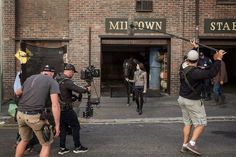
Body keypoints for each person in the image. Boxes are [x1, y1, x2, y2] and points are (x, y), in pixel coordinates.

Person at [177, 40, 225, 155]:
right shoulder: (196, 73)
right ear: (197, 60)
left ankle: (184, 145)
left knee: (187, 123)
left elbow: (192, 58)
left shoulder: (182, 66)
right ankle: (191, 144)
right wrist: (218, 59)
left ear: (187, 59)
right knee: (201, 123)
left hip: (182, 99)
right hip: (193, 101)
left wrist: (194, 48)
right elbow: (211, 73)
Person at [15, 65, 61, 157]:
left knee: (24, 140)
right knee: (46, 144)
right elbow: (55, 105)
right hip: (35, 116)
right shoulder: (52, 81)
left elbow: (17, 92)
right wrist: (57, 125)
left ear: (42, 72)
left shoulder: (30, 78)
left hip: (20, 114)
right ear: (52, 73)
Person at [56, 63, 90, 155]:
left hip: (58, 109)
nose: (73, 74)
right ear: (70, 71)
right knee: (75, 127)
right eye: (73, 72)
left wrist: (72, 97)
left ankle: (62, 148)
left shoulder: (57, 79)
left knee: (63, 128)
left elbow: (63, 93)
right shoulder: (66, 81)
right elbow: (79, 89)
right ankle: (78, 147)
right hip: (67, 109)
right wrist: (87, 89)